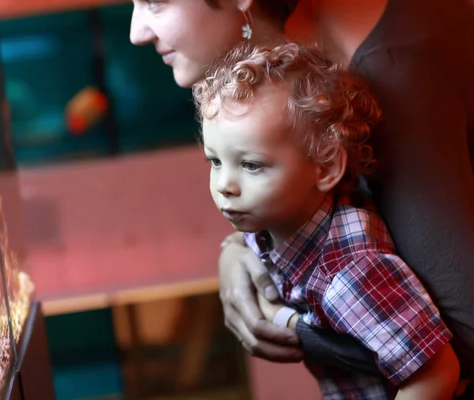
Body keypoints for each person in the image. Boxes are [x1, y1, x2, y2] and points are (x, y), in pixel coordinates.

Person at [129, 0, 474, 390]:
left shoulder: (391, 71)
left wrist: (292, 324)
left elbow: (456, 340)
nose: (135, 32)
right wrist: (239, 250)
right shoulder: (295, 86)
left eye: (155, 2)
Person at [193, 40, 459, 399]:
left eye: (252, 165)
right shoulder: (278, 218)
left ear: (326, 168)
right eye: (215, 161)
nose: (225, 185)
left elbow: (438, 371)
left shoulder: (347, 275)